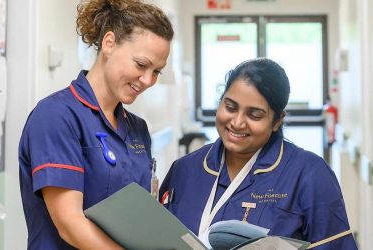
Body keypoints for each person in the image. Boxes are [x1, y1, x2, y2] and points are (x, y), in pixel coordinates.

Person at [19, 0, 173, 249]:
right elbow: (70, 224)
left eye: (157, 71)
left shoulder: (137, 129)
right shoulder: (57, 116)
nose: (147, 80)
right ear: (109, 43)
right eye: (141, 65)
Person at [159, 58, 358, 249]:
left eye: (254, 115)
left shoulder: (310, 174)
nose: (237, 122)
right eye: (230, 107)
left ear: (278, 120)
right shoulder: (184, 169)